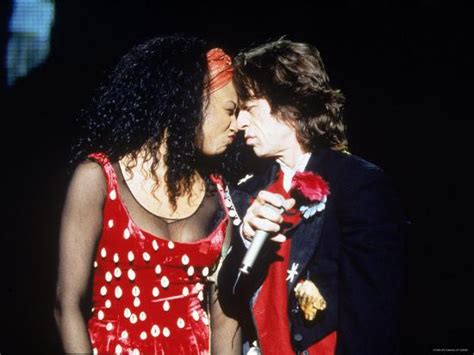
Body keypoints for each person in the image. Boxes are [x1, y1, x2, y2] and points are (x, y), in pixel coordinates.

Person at [218, 39, 408, 354]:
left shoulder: (358, 185)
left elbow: (372, 319)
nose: (238, 124)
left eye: (249, 108)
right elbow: (229, 299)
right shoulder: (247, 192)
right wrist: (245, 240)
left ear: (290, 104)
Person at [54, 35, 241, 354]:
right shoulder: (98, 179)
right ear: (190, 101)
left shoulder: (220, 196)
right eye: (229, 111)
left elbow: (225, 318)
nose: (237, 125)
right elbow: (66, 304)